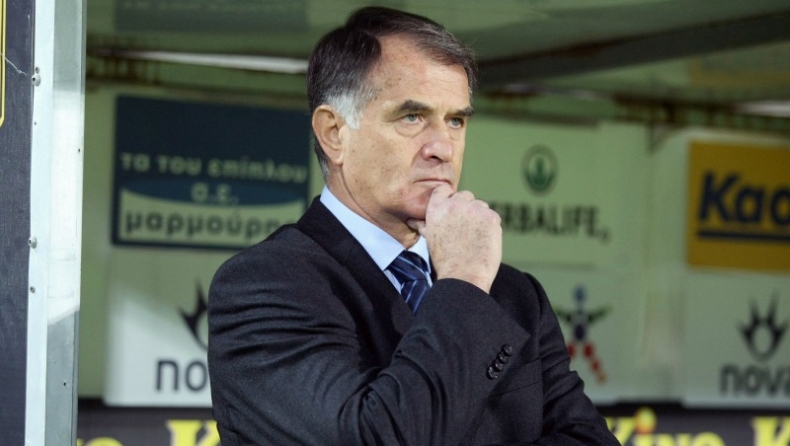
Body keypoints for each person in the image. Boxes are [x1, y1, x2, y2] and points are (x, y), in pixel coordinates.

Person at [208, 6, 619, 445]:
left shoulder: (514, 295)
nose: (444, 148)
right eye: (412, 117)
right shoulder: (264, 286)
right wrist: (463, 283)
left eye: (456, 120)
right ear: (334, 133)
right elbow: (376, 438)